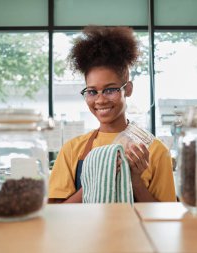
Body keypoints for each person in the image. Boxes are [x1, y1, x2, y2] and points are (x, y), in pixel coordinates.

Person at [48, 25, 176, 203]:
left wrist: (136, 181)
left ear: (128, 89)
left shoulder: (155, 150)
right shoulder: (72, 149)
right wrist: (96, 180)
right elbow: (56, 213)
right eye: (92, 92)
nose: (100, 100)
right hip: (83, 232)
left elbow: (165, 218)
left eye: (110, 90)